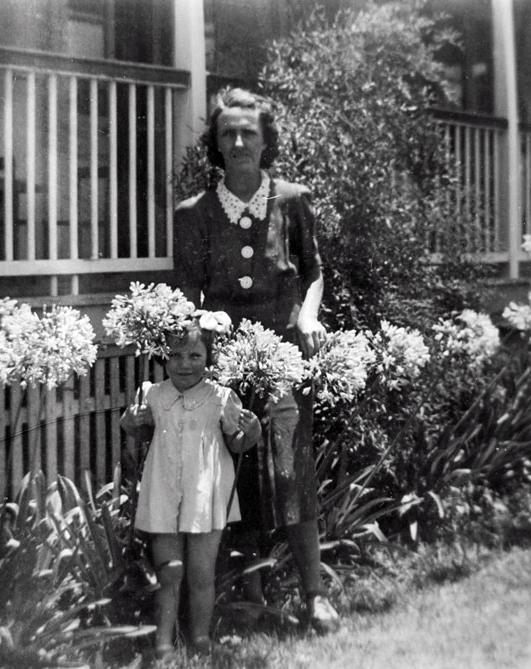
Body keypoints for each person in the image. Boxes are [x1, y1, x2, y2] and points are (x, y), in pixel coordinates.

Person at [172, 87, 341, 633]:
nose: (239, 141)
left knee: (292, 470)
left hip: (285, 356)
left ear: (266, 140)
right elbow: (190, 293)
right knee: (235, 472)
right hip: (223, 365)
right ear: (216, 146)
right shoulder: (194, 214)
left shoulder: (292, 199)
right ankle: (251, 593)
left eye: (249, 132)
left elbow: (313, 271)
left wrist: (310, 317)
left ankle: (314, 594)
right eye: (228, 134)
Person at [120, 318, 262, 657]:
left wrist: (252, 430)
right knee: (169, 574)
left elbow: (238, 443)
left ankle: (199, 639)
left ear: (209, 358)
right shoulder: (151, 394)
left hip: (205, 496)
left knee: (201, 574)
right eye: (176, 355)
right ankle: (164, 643)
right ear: (164, 357)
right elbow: (135, 431)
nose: (185, 363)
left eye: (195, 356)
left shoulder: (221, 397)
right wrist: (130, 419)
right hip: (164, 492)